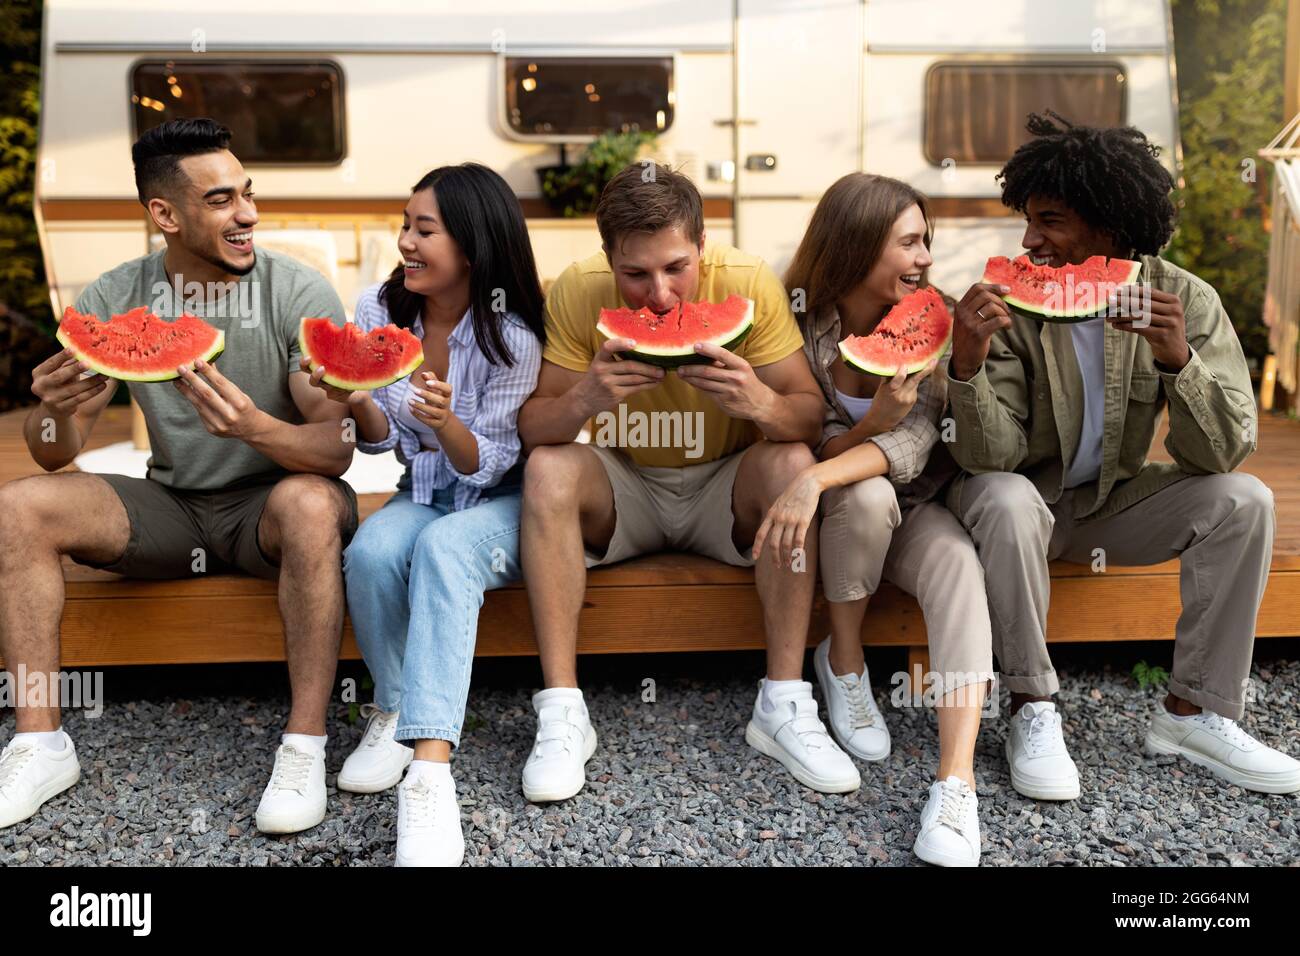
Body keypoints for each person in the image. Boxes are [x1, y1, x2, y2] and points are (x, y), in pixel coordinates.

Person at [0, 118, 358, 834]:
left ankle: (305, 742)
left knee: (313, 505)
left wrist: (256, 427)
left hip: (272, 505)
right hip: (171, 505)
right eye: (222, 200)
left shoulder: (297, 290)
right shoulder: (113, 296)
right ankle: (40, 740)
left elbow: (337, 447)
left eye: (247, 195)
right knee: (18, 509)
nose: (247, 214)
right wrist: (51, 411)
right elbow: (51, 451)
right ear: (165, 214)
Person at [946, 111, 1300, 798]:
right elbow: (992, 455)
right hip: (1014, 510)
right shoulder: (1009, 307)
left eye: (1049, 221)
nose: (1029, 240)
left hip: (1107, 506)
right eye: (1028, 220)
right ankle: (1030, 707)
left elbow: (1222, 452)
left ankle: (1194, 713)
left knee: (1246, 500)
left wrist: (1178, 362)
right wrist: (967, 365)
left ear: (1109, 224)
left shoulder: (1185, 299)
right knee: (1007, 495)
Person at [516, 162, 861, 801]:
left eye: (677, 267)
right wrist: (584, 397)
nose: (660, 298)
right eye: (635, 274)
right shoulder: (575, 289)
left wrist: (760, 402)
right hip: (625, 487)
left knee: (790, 462)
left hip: (724, 492)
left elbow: (808, 415)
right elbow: (535, 429)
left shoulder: (747, 280)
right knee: (547, 468)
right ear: (606, 258)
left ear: (703, 245)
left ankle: (783, 704)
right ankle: (563, 711)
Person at [757, 172, 994, 865]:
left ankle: (956, 780)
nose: (925, 259)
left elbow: (915, 447)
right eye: (910, 242)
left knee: (956, 566)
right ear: (858, 243)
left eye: (927, 242)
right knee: (862, 497)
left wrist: (818, 473)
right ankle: (845, 661)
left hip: (917, 506)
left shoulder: (937, 320)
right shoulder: (799, 319)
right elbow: (813, 441)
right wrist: (830, 466)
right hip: (845, 518)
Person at [313, 164, 544, 867]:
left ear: (471, 246)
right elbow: (380, 437)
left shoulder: (513, 338)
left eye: (424, 229)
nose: (405, 242)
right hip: (423, 492)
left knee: (445, 546)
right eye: (405, 225)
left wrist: (446, 424)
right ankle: (393, 706)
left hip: (503, 504)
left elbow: (490, 463)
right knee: (372, 552)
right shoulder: (379, 310)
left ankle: (429, 774)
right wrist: (352, 394)